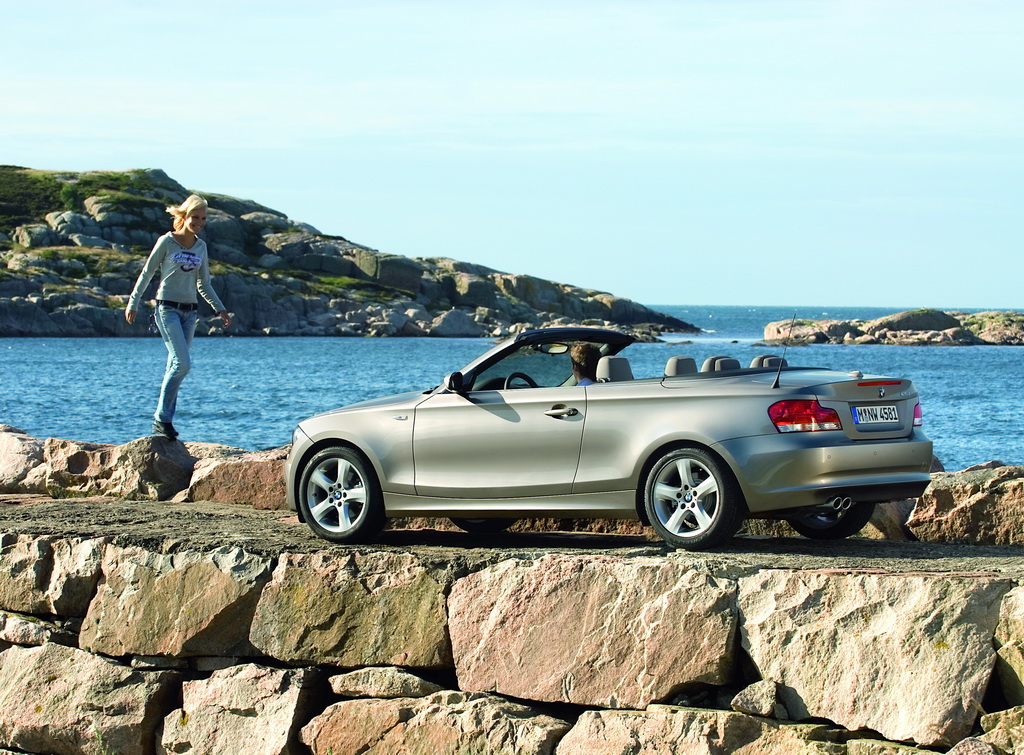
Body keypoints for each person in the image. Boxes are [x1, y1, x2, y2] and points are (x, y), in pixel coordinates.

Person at [125, 194, 231, 439]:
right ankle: (161, 418)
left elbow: (204, 283)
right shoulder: (167, 241)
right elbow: (147, 273)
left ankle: (164, 423)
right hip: (167, 309)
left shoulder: (201, 246)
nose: (199, 222)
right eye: (195, 217)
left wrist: (220, 308)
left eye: (203, 219)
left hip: (189, 313)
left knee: (175, 366)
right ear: (184, 216)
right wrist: (133, 302)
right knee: (183, 364)